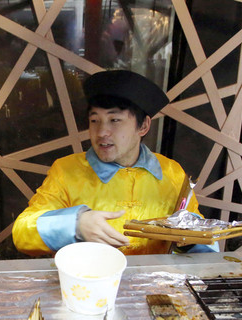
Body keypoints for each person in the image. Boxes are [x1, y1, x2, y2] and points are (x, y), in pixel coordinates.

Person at [12, 69, 216, 256]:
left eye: (115, 120)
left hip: (156, 283)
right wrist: (75, 224)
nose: (102, 132)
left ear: (143, 126)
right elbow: (21, 232)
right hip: (89, 281)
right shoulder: (66, 171)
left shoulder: (172, 172)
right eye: (95, 121)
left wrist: (189, 241)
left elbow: (202, 241)